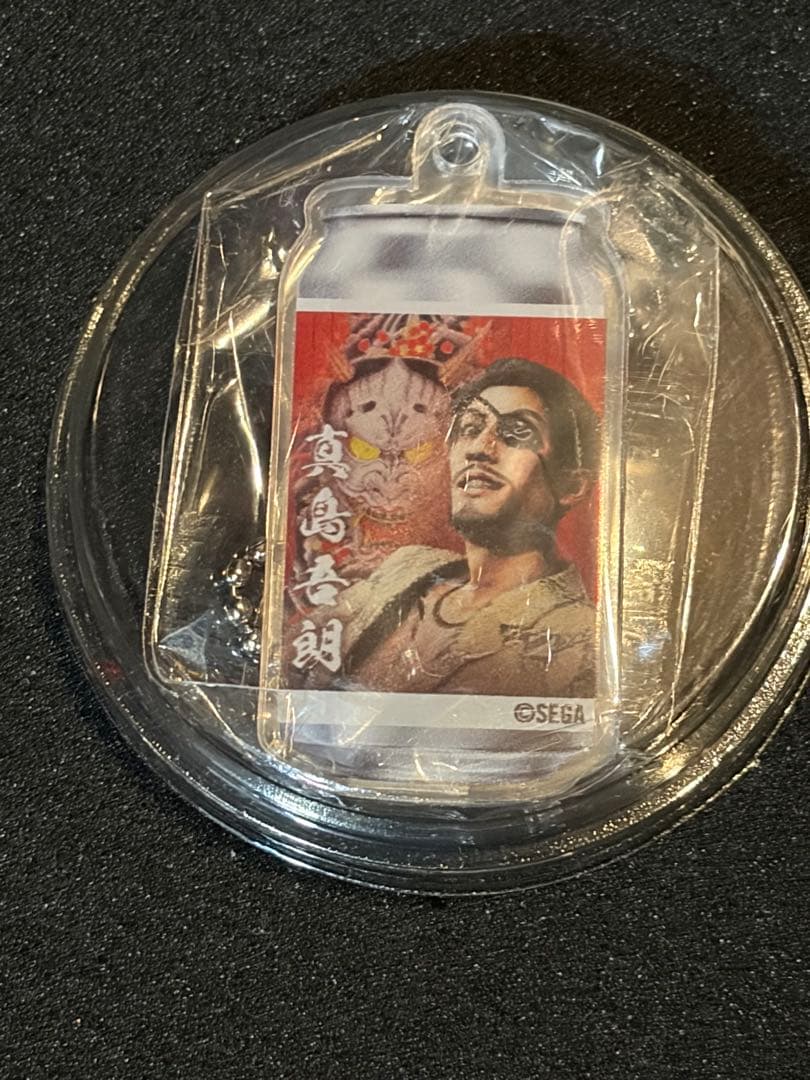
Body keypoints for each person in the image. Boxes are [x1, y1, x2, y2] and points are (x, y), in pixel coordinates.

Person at [293, 357, 600, 699]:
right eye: (469, 429)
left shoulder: (581, 640)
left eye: (516, 433)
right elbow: (287, 665)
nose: (479, 449)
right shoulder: (409, 567)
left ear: (572, 486)